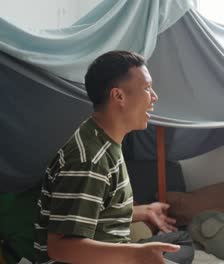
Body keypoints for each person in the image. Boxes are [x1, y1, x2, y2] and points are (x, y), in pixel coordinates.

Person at [33, 51, 194, 264]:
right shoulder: (88, 160)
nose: (154, 97)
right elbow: (60, 248)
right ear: (118, 96)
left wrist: (145, 211)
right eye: (147, 88)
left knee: (182, 241)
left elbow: (99, 210)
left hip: (115, 249)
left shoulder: (104, 139)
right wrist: (136, 255)